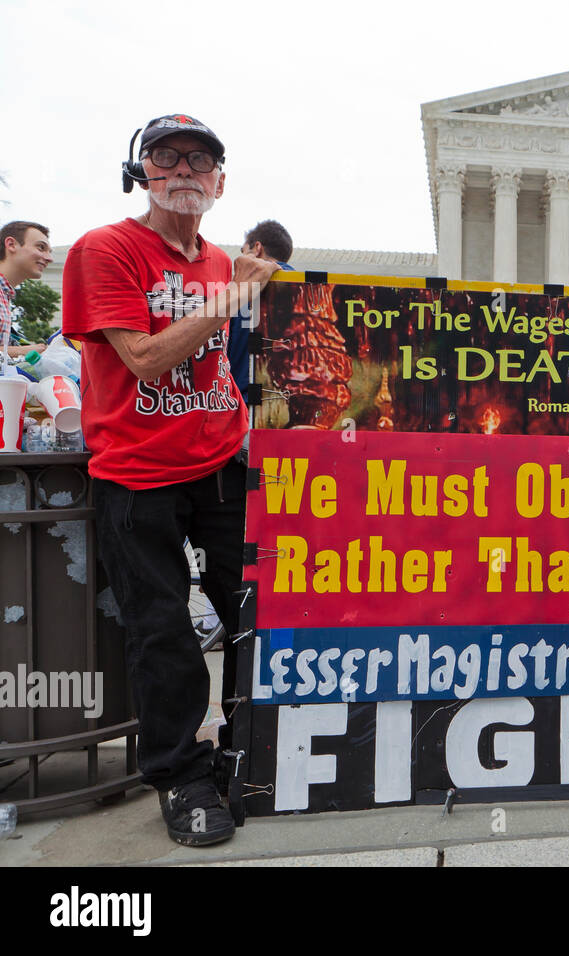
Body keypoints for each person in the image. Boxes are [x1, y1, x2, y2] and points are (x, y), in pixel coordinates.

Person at [61, 114, 281, 846]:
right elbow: (146, 360)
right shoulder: (106, 249)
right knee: (163, 633)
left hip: (220, 463)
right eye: (167, 157)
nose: (184, 169)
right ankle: (180, 776)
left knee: (258, 616)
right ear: (142, 172)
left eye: (200, 160)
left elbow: (221, 357)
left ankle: (245, 756)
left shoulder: (219, 262)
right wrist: (229, 296)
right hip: (137, 470)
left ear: (220, 183)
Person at [230, 219, 293, 404]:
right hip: (291, 412)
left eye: (244, 252)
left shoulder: (234, 293)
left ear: (257, 248)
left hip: (240, 407)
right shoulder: (309, 294)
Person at [0, 221, 54, 359]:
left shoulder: (5, 295)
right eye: (41, 248)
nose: (49, 258)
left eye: (50, 252)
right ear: (11, 244)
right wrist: (26, 351)